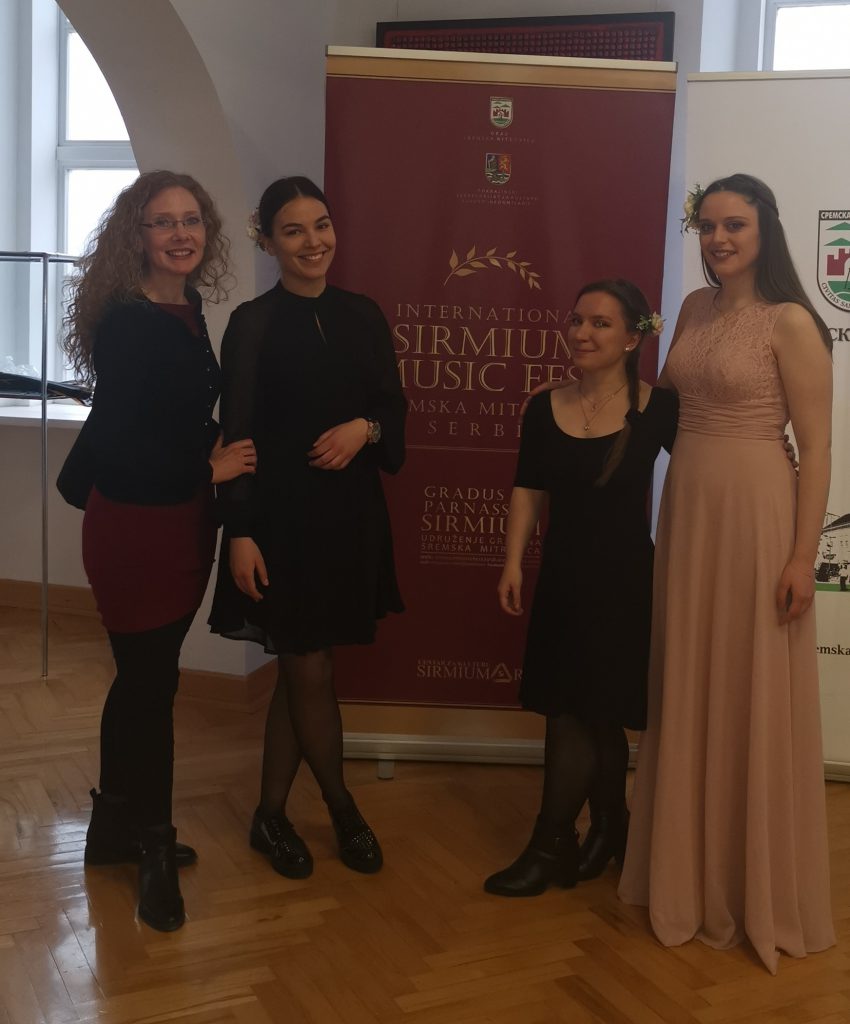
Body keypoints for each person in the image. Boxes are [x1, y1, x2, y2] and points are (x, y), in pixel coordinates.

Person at [618, 173, 835, 973]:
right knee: (689, 674)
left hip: (756, 512)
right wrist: (588, 389)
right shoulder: (692, 309)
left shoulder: (793, 322)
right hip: (689, 509)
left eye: (734, 224)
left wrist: (801, 557)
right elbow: (665, 409)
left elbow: (818, 449)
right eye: (707, 226)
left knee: (748, 680)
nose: (718, 239)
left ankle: (749, 884)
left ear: (763, 229)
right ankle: (685, 868)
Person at [58, 171, 256, 932]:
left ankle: (111, 829)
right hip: (137, 526)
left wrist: (213, 445)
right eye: (162, 222)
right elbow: (122, 447)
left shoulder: (187, 306)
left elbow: (170, 415)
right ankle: (154, 848)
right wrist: (209, 467)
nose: (180, 234)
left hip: (180, 523)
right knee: (151, 689)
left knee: (144, 681)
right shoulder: (131, 323)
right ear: (134, 236)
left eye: (191, 220)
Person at [209, 176, 405, 879]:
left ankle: (269, 815)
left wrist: (365, 428)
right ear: (267, 241)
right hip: (278, 526)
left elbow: (393, 408)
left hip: (349, 521)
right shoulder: (252, 324)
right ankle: (344, 809)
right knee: (309, 666)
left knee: (303, 670)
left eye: (321, 225)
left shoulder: (363, 314)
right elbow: (236, 439)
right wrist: (240, 532)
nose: (312, 242)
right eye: (293, 230)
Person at [484, 279, 677, 897]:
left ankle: (551, 845)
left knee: (585, 710)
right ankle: (612, 826)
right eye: (576, 321)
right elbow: (528, 488)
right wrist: (513, 562)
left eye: (600, 323)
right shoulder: (545, 407)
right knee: (585, 711)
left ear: (632, 338)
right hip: (563, 580)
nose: (582, 333)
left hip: (625, 584)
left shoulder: (660, 409)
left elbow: (709, 472)